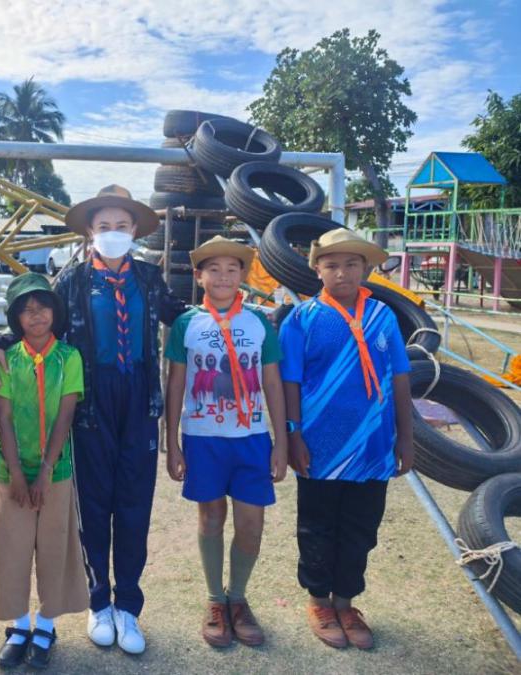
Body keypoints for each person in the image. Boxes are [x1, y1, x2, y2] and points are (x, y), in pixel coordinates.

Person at [0, 185, 188, 654]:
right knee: (94, 506)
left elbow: (180, 316)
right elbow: (37, 317)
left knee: (134, 506)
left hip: (138, 401)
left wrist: (231, 315)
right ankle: (99, 602)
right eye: (104, 226)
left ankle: (129, 607)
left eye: (122, 226)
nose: (113, 233)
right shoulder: (73, 281)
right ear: (90, 232)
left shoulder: (148, 277)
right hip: (92, 403)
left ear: (134, 231)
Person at [278, 228, 414, 650]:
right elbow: (289, 382)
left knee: (361, 527)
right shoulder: (300, 319)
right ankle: (320, 602)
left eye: (352, 264)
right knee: (317, 526)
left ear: (366, 269)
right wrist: (293, 435)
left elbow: (400, 377)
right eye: (332, 265)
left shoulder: (383, 316)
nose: (342, 273)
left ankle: (346, 603)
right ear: (317, 270)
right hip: (321, 446)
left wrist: (406, 438)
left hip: (373, 445)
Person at [164, 236, 288, 648]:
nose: (223, 277)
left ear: (242, 276)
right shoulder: (186, 324)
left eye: (232, 269)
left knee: (251, 524)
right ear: (198, 276)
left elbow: (272, 382)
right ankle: (216, 600)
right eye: (213, 269)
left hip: (252, 439)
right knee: (211, 518)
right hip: (203, 440)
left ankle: (239, 597)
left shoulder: (259, 322)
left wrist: (281, 442)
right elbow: (175, 383)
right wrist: (172, 442)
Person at [0, 272, 89, 669]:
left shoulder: (69, 357)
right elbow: (3, 417)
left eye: (43, 307)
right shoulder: (6, 359)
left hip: (56, 469)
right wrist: (17, 472)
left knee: (54, 546)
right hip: (10, 469)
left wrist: (47, 469)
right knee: (12, 548)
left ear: (54, 312)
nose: (36, 316)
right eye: (26, 310)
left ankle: (46, 624)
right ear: (16, 318)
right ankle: (18, 626)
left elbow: (66, 415)